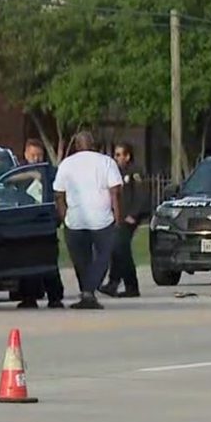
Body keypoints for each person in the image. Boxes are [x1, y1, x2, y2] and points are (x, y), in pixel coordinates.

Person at [53, 131, 123, 310]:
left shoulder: (66, 164)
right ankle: (89, 293)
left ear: (76, 146)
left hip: (75, 220)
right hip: (102, 219)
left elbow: (58, 195)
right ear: (93, 144)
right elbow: (115, 192)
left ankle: (87, 292)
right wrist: (117, 215)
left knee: (80, 260)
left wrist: (63, 215)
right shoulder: (106, 162)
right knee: (102, 257)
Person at [17, 139, 66, 309]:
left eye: (38, 155)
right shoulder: (19, 175)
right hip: (25, 223)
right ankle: (28, 297)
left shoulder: (51, 174)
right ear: (25, 155)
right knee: (26, 261)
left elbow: (60, 196)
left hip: (45, 222)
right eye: (32, 156)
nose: (36, 159)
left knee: (49, 260)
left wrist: (59, 218)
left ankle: (55, 297)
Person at [100, 142, 147, 298]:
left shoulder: (135, 172)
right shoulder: (115, 172)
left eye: (121, 154)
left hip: (129, 217)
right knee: (118, 249)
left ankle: (129, 286)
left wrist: (133, 214)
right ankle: (114, 283)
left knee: (121, 248)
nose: (118, 157)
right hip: (118, 217)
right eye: (116, 154)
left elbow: (141, 195)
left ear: (128, 156)